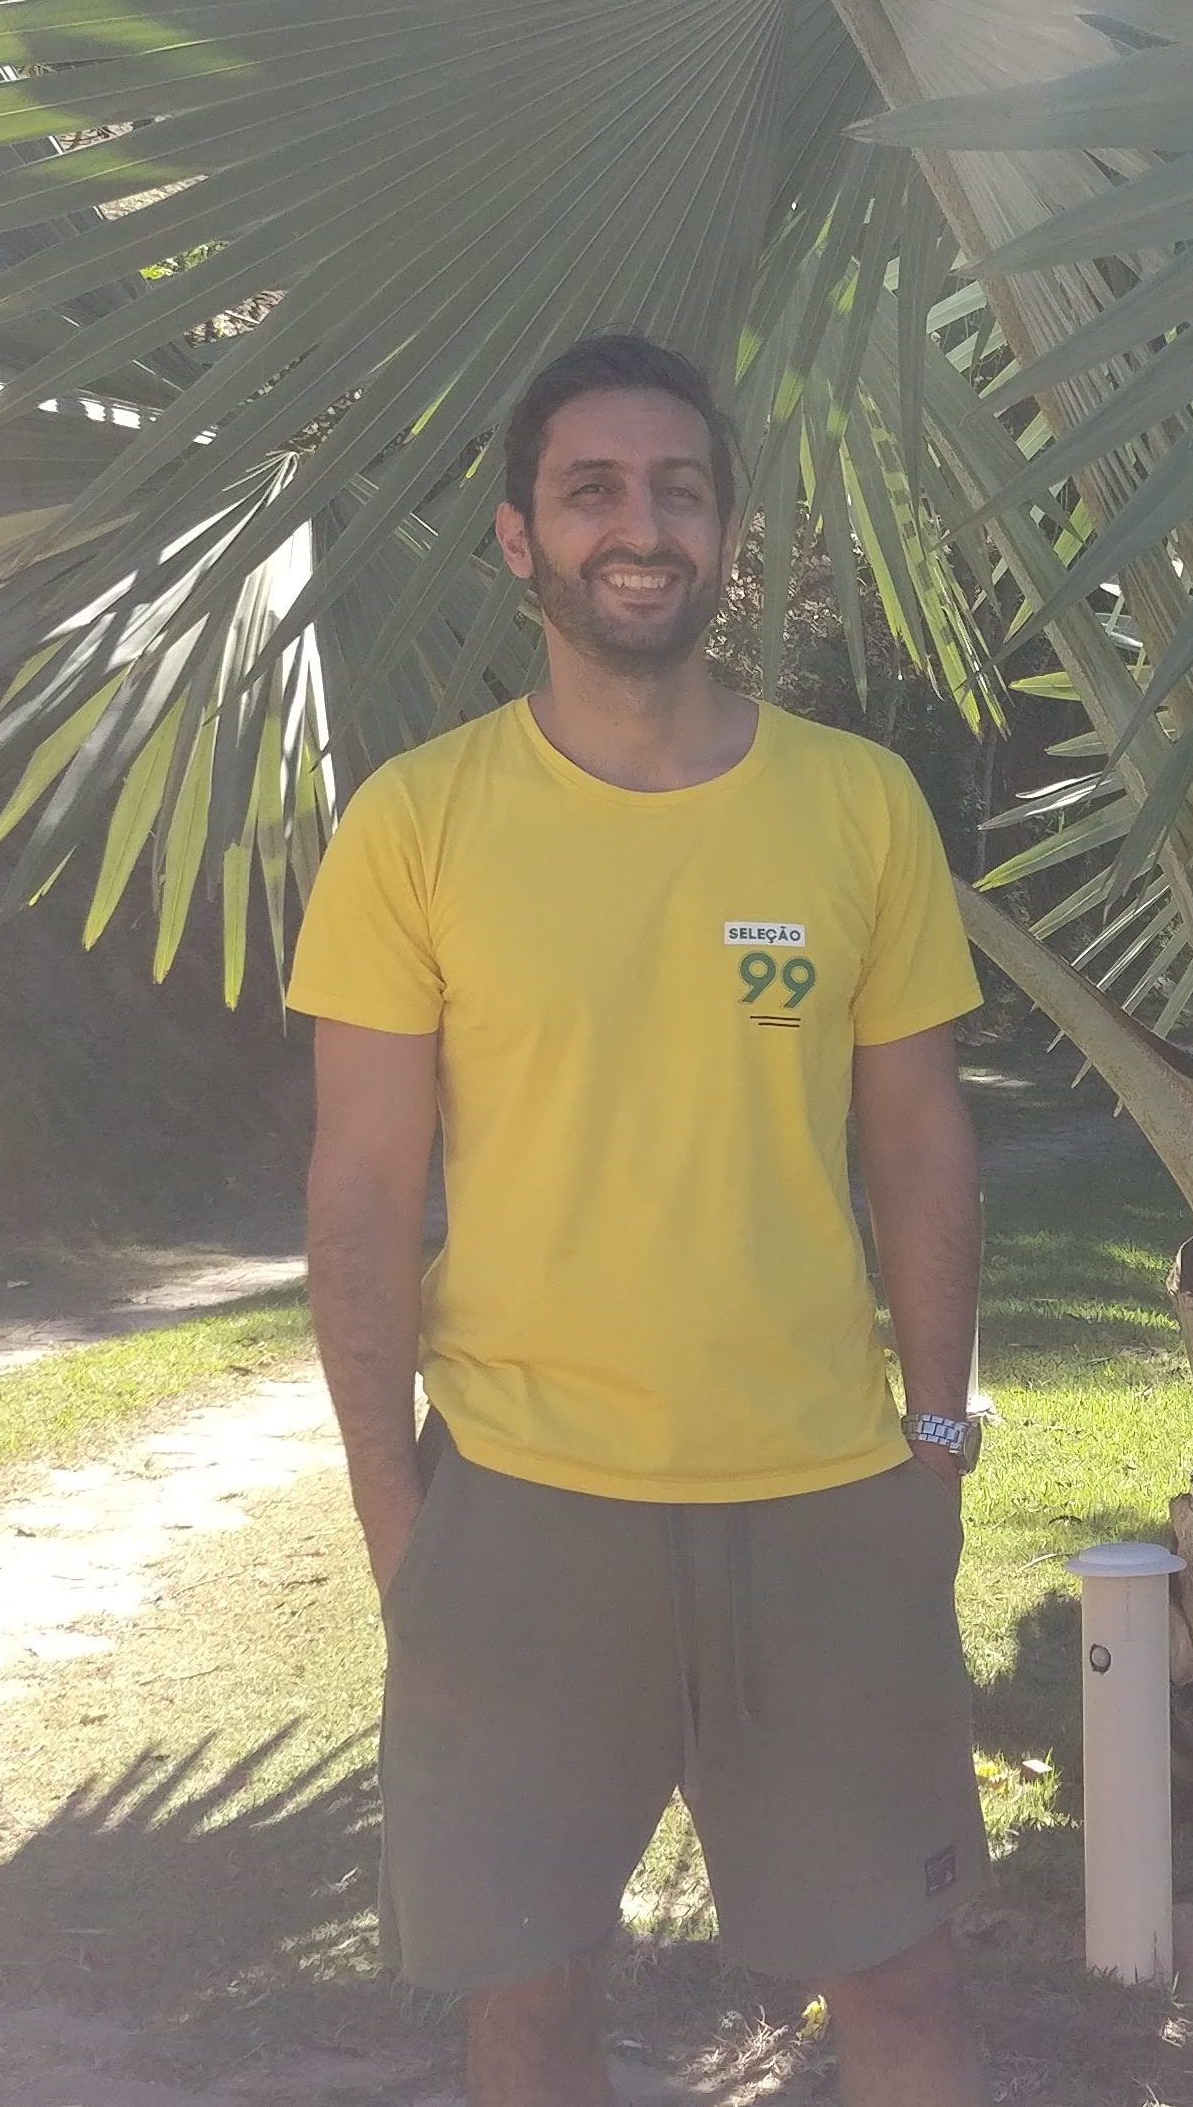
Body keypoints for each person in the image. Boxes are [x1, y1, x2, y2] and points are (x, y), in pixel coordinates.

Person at [290, 332, 991, 2107]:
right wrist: (394, 1501)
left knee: (899, 1984)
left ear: (726, 529)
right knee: (526, 1998)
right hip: (525, 1504)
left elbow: (918, 1146)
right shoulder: (417, 823)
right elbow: (362, 1192)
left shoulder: (857, 803)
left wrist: (930, 1442)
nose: (640, 523)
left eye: (678, 487)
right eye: (591, 487)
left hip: (823, 1491)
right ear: (519, 536)